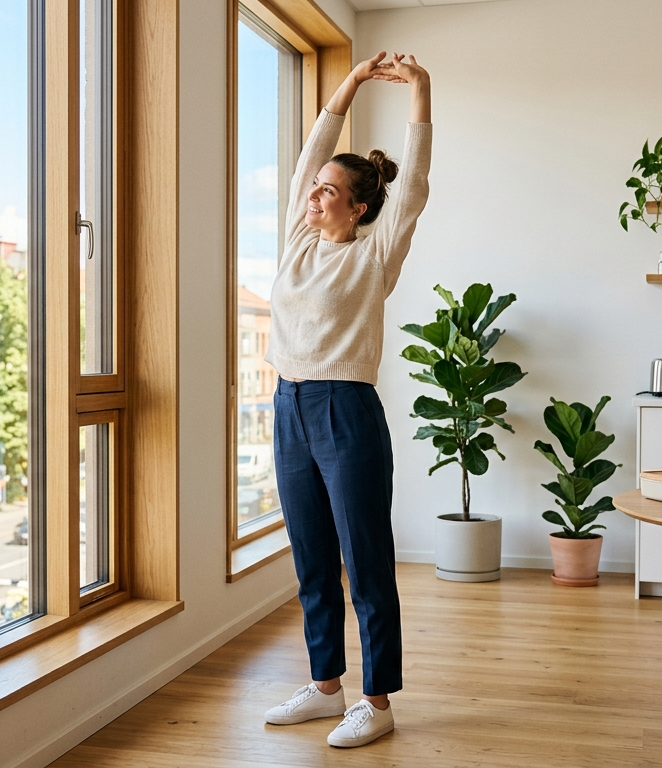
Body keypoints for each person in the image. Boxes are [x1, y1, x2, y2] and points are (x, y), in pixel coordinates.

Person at [262, 51, 432, 748]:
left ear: (359, 207)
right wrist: (354, 81)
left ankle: (377, 699)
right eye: (316, 189)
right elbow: (312, 153)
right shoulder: (298, 238)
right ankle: (326, 684)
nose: (315, 195)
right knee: (310, 555)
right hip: (288, 405)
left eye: (330, 191)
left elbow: (414, 181)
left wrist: (421, 88)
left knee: (364, 559)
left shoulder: (375, 250)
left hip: (345, 410)